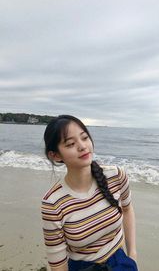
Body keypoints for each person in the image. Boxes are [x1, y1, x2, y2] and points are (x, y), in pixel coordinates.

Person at [41, 115, 138, 271]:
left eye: (84, 137)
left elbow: (127, 209)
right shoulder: (52, 203)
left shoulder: (116, 176)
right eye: (71, 143)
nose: (82, 146)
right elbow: (58, 264)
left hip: (121, 262)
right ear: (56, 155)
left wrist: (132, 254)